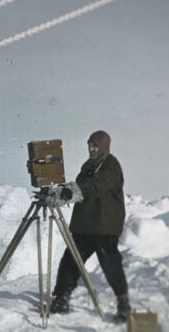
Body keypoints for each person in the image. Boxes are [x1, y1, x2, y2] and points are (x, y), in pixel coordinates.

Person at [44, 130, 131, 321]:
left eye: (95, 146)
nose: (92, 149)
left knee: (110, 263)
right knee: (71, 260)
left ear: (104, 147)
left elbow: (96, 185)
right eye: (90, 145)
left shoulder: (111, 165)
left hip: (105, 224)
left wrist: (70, 191)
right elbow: (79, 188)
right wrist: (60, 193)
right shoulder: (88, 166)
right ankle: (61, 298)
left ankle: (123, 303)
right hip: (85, 224)